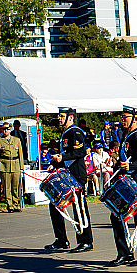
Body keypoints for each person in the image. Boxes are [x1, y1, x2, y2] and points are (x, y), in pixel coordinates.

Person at [107, 107, 137, 267]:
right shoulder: (126, 136)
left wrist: (131, 166)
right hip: (126, 183)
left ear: (135, 119)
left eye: (125, 117)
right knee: (117, 215)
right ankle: (125, 253)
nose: (122, 120)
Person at [44, 107, 94, 253]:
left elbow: (80, 152)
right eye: (58, 116)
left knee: (79, 209)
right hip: (66, 175)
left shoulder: (75, 131)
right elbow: (67, 153)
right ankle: (61, 240)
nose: (59, 118)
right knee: (55, 205)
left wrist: (62, 157)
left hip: (77, 175)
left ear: (70, 118)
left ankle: (86, 241)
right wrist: (55, 163)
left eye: (61, 116)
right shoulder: (65, 133)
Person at [0, 122, 24, 212]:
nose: (6, 131)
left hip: (15, 165)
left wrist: (21, 167)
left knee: (15, 186)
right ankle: (9, 205)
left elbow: (20, 154)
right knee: (7, 187)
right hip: (4, 165)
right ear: (2, 130)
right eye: (4, 129)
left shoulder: (16, 140)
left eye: (7, 129)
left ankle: (15, 204)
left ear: (10, 130)